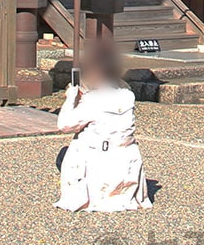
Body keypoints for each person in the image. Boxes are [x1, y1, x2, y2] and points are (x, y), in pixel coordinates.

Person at [54, 45, 151, 213]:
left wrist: (71, 99)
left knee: (63, 154)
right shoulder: (128, 96)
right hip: (124, 162)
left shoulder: (93, 101)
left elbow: (64, 125)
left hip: (97, 165)